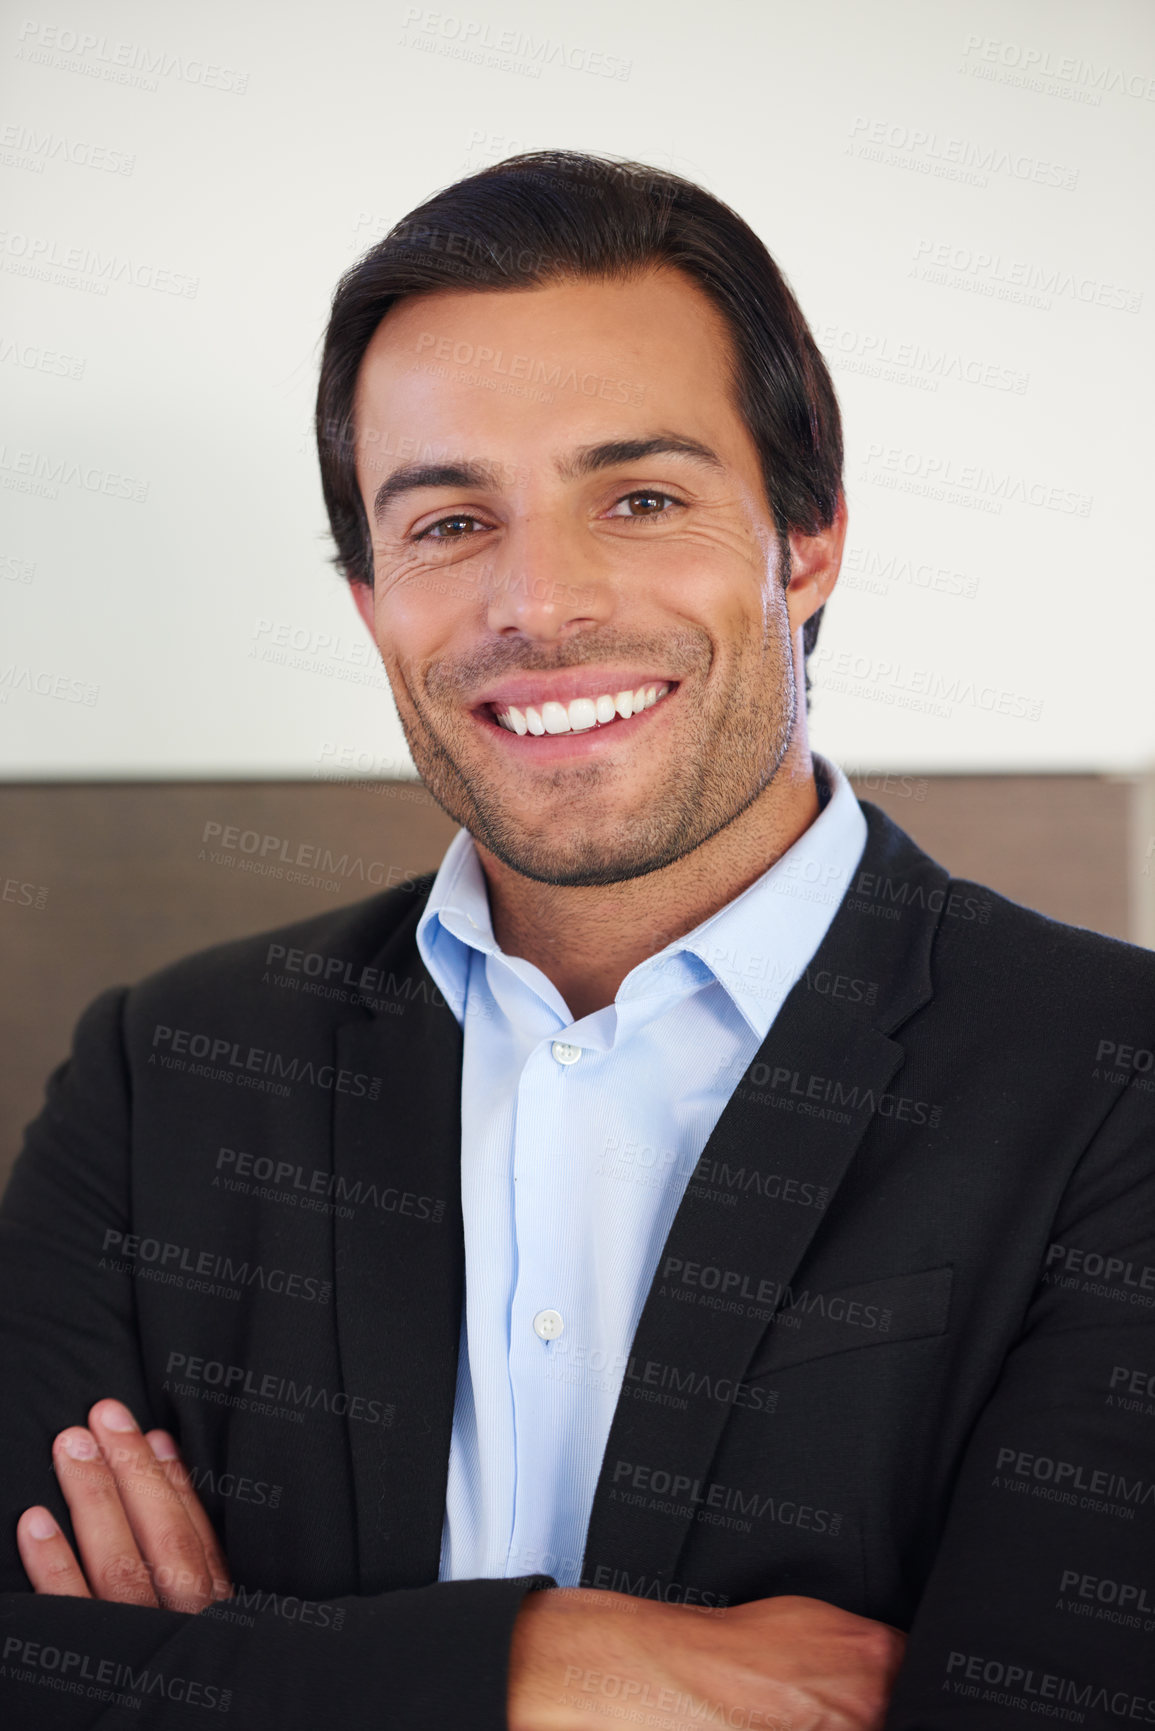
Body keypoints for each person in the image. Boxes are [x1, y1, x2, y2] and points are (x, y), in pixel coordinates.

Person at [2, 150, 1153, 1731]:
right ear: (368, 598)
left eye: (643, 498)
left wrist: (232, 1679)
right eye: (451, 520)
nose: (538, 603)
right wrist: (537, 1671)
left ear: (805, 542)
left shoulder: (1117, 1086)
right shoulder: (163, 1077)